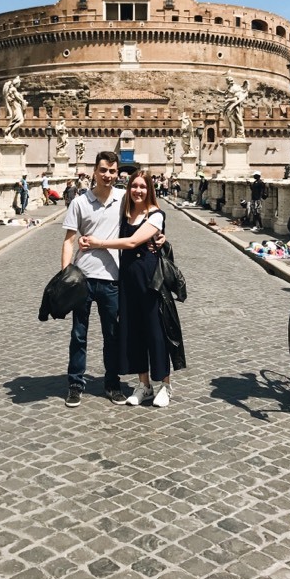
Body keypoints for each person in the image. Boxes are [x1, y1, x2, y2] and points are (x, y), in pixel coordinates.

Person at [79, 170, 183, 407]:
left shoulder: (156, 215)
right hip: (127, 281)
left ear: (150, 190)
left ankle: (164, 386)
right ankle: (144, 385)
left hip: (151, 282)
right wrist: (81, 238)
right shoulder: (124, 214)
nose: (138, 190)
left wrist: (99, 243)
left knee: (155, 333)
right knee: (134, 333)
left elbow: (133, 242)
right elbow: (99, 217)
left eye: (143, 187)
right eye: (134, 186)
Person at [60, 151, 127, 408]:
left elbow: (147, 217)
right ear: (94, 172)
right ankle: (75, 384)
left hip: (113, 279)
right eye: (103, 170)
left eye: (112, 171)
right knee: (79, 334)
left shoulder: (124, 199)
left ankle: (112, 383)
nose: (108, 175)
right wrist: (65, 276)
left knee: (112, 334)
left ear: (117, 173)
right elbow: (68, 240)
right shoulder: (79, 202)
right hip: (83, 279)